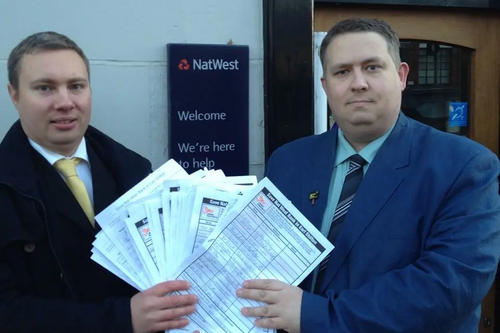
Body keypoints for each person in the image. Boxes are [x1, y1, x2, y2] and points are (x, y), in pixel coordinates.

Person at [236, 18, 500, 333]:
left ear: (401, 76)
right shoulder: (288, 161)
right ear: (325, 85)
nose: (358, 82)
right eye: (342, 71)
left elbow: (449, 287)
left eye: (372, 67)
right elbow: (258, 259)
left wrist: (317, 314)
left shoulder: (463, 166)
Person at [0, 31, 199, 333]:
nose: (65, 102)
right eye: (45, 88)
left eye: (76, 86)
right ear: (14, 95)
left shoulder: (135, 172)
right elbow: (7, 312)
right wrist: (123, 318)